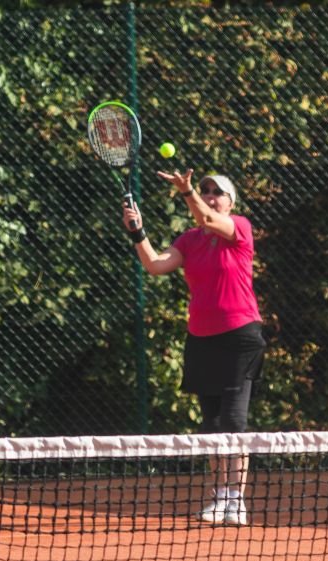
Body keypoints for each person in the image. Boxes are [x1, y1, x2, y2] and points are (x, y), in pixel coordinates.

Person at [122, 171, 265, 527]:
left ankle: (237, 500)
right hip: (201, 338)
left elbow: (204, 216)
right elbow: (155, 265)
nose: (211, 195)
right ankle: (220, 498)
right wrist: (137, 232)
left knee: (234, 421)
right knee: (212, 424)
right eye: (205, 190)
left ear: (230, 203)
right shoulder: (189, 240)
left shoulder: (240, 229)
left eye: (218, 192)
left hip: (240, 335)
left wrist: (186, 190)